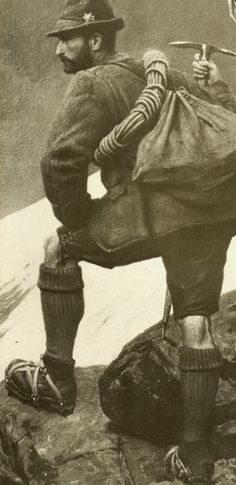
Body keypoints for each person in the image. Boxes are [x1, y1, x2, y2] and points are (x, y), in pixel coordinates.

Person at [5, 0, 236, 483]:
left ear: (95, 39)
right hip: (210, 212)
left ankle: (57, 380)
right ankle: (192, 456)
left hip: (154, 212)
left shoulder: (92, 83)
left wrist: (76, 216)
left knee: (57, 247)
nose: (60, 50)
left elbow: (60, 163)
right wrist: (213, 82)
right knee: (197, 321)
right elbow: (221, 118)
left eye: (67, 39)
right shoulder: (162, 71)